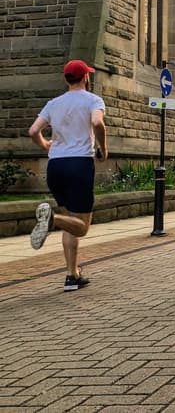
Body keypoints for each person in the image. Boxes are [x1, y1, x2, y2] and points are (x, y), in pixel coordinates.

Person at [27, 59, 108, 292]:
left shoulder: (53, 103)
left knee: (70, 223)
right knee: (81, 226)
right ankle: (51, 218)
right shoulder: (93, 100)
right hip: (79, 165)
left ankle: (72, 276)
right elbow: (97, 122)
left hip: (55, 166)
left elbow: (33, 131)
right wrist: (103, 148)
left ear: (65, 79)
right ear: (85, 78)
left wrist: (45, 145)